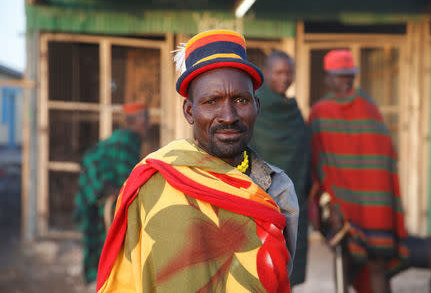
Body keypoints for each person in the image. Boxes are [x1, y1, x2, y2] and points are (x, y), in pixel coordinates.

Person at [95, 30, 299, 293]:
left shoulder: (278, 189)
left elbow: (279, 279)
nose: (228, 116)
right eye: (211, 101)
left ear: (257, 107)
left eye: (240, 100)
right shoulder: (151, 184)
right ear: (190, 111)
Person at [308, 49, 409, 293]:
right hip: (355, 206)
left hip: (363, 207)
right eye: (341, 75)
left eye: (348, 75)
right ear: (329, 78)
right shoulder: (326, 112)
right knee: (359, 263)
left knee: (366, 264)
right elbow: (317, 159)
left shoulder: (360, 108)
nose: (345, 80)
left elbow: (386, 156)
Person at [250, 50, 311, 286]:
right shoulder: (255, 107)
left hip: (295, 200)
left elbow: (304, 152)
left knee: (288, 271)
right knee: (261, 269)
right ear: (267, 73)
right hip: (262, 201)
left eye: (289, 73)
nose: (285, 78)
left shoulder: (293, 110)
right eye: (279, 72)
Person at [74, 103, 149, 285]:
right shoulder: (127, 141)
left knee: (101, 243)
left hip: (97, 196)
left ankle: (100, 281)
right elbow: (128, 181)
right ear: (138, 121)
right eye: (146, 119)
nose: (149, 124)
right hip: (98, 197)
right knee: (105, 243)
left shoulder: (124, 138)